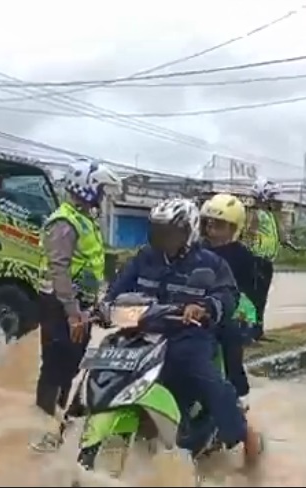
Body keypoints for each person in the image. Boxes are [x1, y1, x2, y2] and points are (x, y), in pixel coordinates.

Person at [103, 197, 263, 464]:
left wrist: (204, 307)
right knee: (105, 358)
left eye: (170, 232)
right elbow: (118, 290)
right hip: (142, 332)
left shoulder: (210, 263)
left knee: (203, 374)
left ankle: (244, 433)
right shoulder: (144, 258)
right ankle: (68, 423)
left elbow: (227, 295)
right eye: (159, 230)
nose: (163, 237)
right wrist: (101, 308)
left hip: (187, 334)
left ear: (189, 232)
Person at [30, 159, 121, 452]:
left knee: (71, 365)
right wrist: (72, 314)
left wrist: (94, 307)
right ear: (88, 188)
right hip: (61, 307)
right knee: (56, 366)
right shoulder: (64, 222)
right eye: (101, 190)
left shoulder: (84, 219)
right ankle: (44, 428)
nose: (104, 196)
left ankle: (59, 423)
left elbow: (90, 267)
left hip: (78, 308)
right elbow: (59, 270)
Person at [199, 193, 256, 406]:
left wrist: (245, 313)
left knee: (231, 338)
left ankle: (236, 393)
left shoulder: (243, 256)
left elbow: (249, 291)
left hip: (233, 308)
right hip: (199, 305)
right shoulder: (196, 250)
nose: (212, 230)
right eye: (209, 224)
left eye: (219, 225)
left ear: (234, 228)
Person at [243, 178, 294, 341]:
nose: (277, 201)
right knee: (254, 297)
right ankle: (249, 331)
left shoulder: (270, 215)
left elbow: (276, 233)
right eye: (273, 197)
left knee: (262, 297)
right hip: (256, 260)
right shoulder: (255, 214)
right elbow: (249, 234)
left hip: (267, 261)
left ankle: (258, 330)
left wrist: (284, 241)